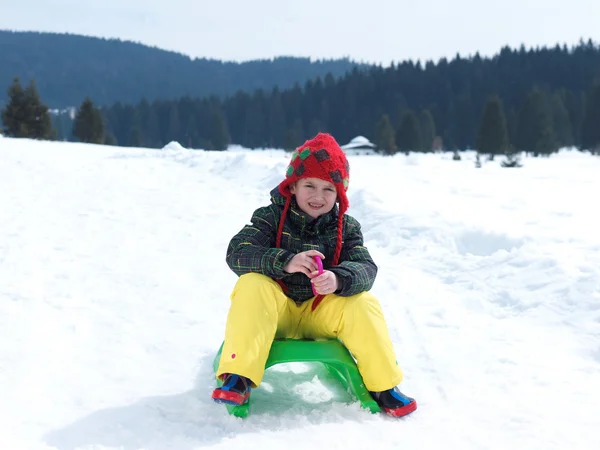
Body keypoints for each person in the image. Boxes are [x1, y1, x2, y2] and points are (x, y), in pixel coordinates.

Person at [212, 132, 417, 418]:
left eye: (328, 189)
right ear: (293, 186)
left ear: (339, 194)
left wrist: (338, 279)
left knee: (363, 302)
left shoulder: (347, 227)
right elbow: (238, 251)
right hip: (274, 311)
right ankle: (238, 374)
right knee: (251, 283)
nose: (318, 196)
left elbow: (366, 267)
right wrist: (285, 261)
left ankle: (384, 385)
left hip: (320, 312)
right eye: (309, 185)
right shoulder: (270, 217)